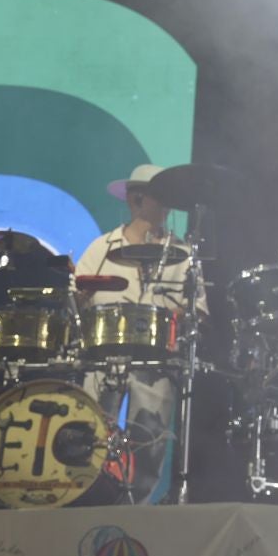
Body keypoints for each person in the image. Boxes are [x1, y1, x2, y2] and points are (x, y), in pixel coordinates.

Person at [74, 164, 206, 502]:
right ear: (137, 198)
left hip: (157, 360)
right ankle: (88, 502)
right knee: (89, 435)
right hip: (104, 355)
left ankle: (133, 512)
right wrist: (80, 298)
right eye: (161, 196)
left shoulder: (184, 255)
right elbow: (75, 301)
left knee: (150, 444)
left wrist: (181, 314)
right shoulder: (102, 247)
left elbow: (198, 310)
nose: (168, 205)